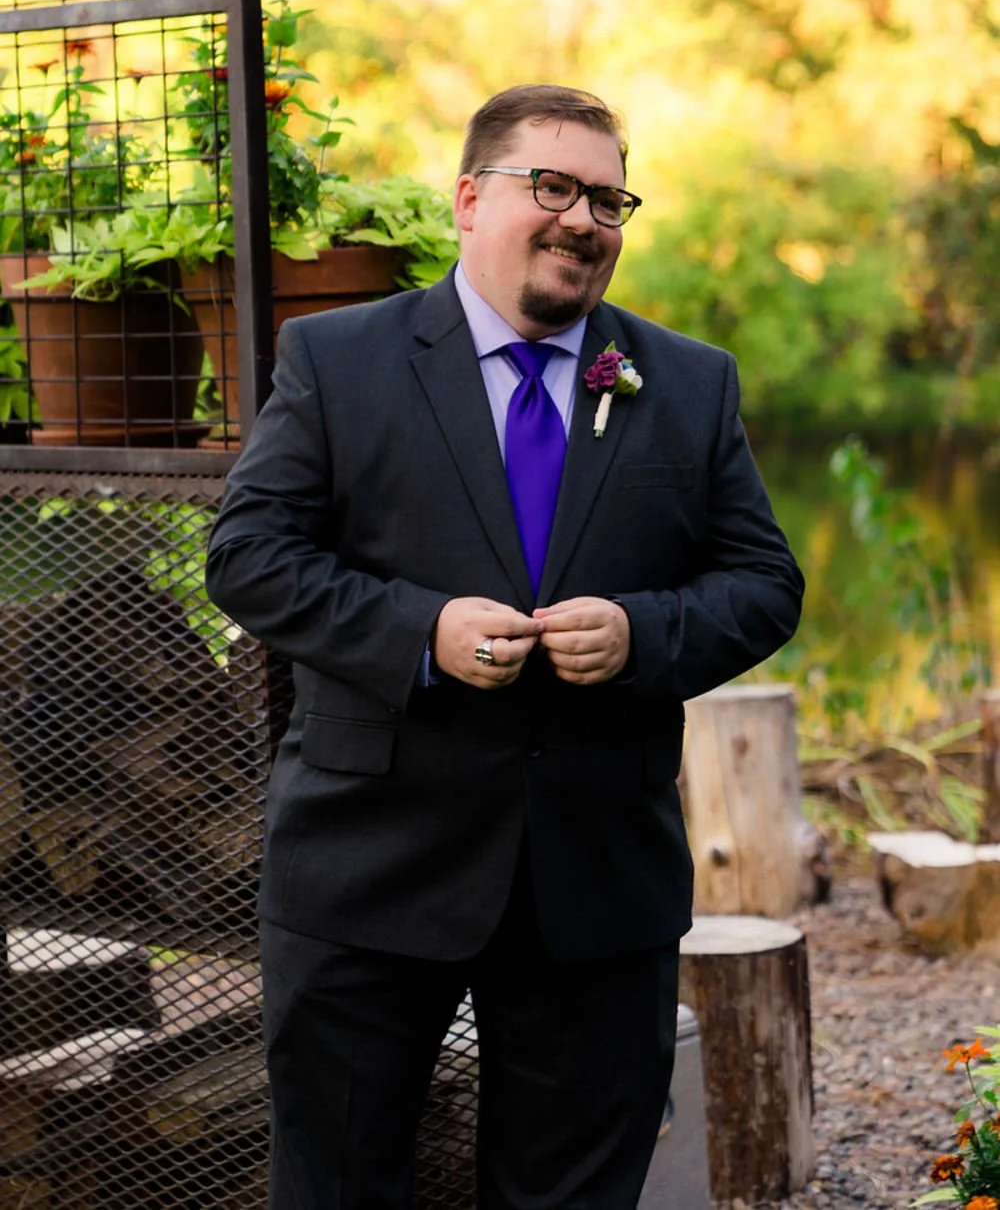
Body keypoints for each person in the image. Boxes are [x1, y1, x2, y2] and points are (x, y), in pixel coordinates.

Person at [205, 82, 804, 1210]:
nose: (586, 219)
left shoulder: (686, 381)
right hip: (368, 864)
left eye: (610, 200)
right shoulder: (336, 360)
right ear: (469, 199)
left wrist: (642, 632)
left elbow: (764, 585)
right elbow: (247, 554)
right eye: (556, 187)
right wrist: (418, 627)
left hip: (596, 875)